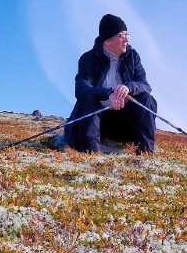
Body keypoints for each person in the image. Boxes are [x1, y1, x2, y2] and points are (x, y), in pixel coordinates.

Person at [64, 14, 157, 154]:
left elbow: (145, 85)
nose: (126, 40)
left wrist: (128, 88)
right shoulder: (88, 59)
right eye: (121, 36)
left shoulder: (132, 56)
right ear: (108, 41)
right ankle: (91, 153)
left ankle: (145, 153)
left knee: (147, 99)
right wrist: (109, 93)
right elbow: (81, 88)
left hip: (125, 124)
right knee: (87, 98)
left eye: (126, 35)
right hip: (97, 123)